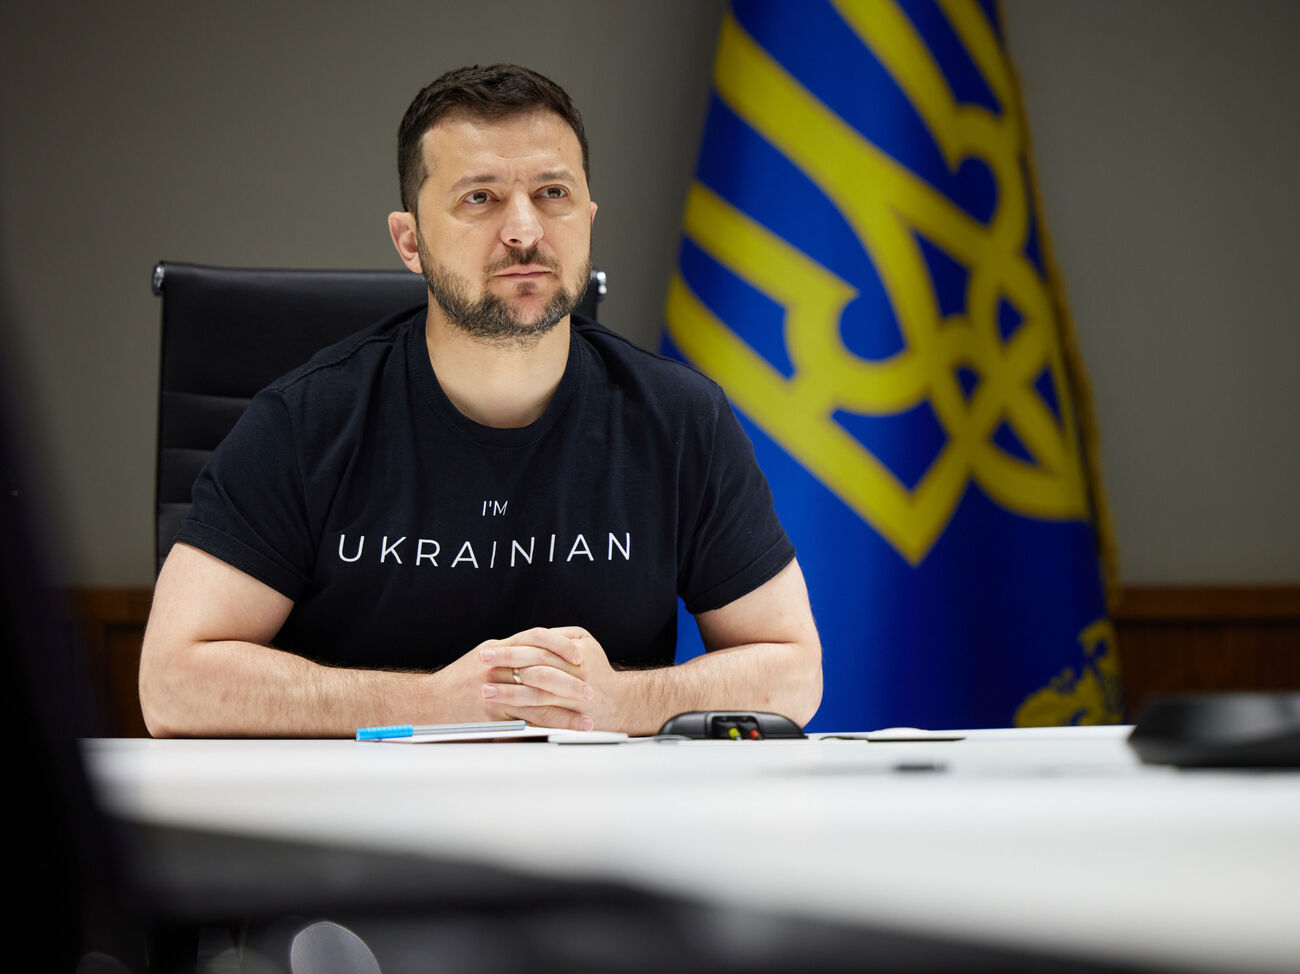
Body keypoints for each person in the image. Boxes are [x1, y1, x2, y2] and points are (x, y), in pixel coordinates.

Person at [139, 64, 821, 738]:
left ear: (588, 220)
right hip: (360, 802)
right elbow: (171, 684)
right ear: (410, 241)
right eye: (480, 198)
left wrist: (619, 702)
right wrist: (433, 703)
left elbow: (794, 672)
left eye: (552, 193)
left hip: (597, 804)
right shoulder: (304, 422)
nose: (524, 230)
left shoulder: (681, 418)